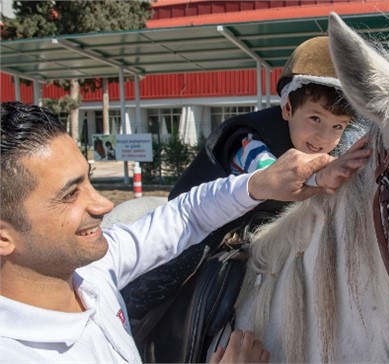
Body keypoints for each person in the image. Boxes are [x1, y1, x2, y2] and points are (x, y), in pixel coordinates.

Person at [0, 101, 370, 362]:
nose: (103, 205)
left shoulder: (93, 271)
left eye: (89, 181)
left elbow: (185, 215)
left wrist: (260, 184)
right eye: (70, 194)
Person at [229, 36, 365, 193]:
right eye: (315, 118)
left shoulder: (336, 152)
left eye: (338, 126)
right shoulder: (254, 149)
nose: (324, 136)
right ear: (287, 108)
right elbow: (278, 181)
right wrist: (321, 177)